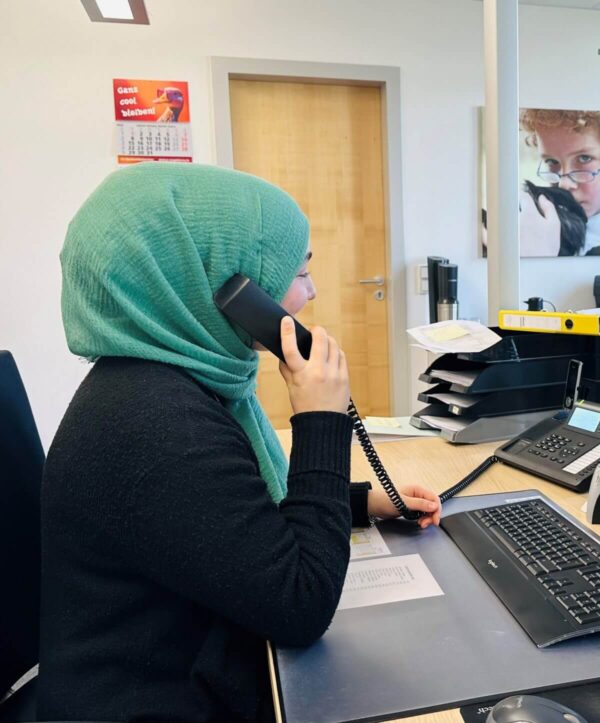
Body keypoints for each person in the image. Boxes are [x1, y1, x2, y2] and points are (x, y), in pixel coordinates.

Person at [37, 162, 441, 721]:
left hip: (188, 656)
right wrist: (322, 421)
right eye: (298, 274)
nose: (312, 291)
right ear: (229, 290)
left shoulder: (157, 381)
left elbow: (224, 519)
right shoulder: (153, 426)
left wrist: (356, 501)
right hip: (155, 702)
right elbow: (300, 603)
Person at [519, 109, 600, 257]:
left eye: (584, 158)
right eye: (552, 161)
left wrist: (539, 259)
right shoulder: (549, 216)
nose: (563, 184)